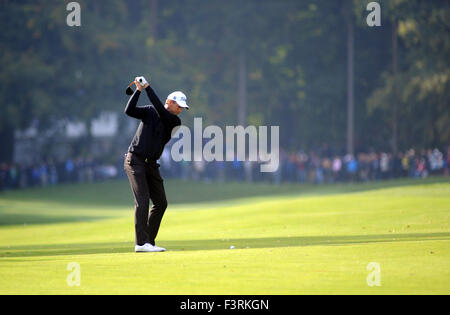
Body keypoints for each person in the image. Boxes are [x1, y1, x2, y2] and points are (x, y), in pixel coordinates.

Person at [124, 76, 189, 253]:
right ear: (170, 101)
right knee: (143, 200)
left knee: (161, 202)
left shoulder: (175, 122)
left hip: (151, 165)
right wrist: (138, 90)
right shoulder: (149, 111)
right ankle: (140, 243)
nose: (180, 110)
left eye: (183, 108)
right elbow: (128, 110)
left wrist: (148, 87)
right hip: (135, 160)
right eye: (179, 106)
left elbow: (161, 111)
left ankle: (149, 242)